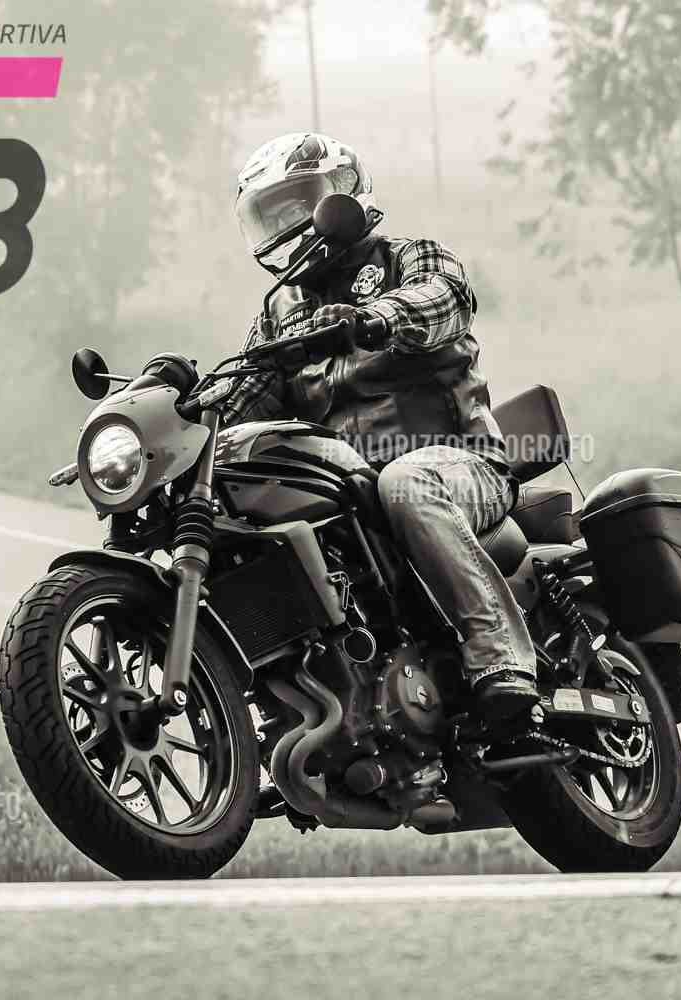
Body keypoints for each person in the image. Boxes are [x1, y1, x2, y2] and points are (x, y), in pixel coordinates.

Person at [222, 132, 538, 724]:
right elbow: (244, 393)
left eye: (297, 206)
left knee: (406, 482)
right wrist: (181, 404)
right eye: (272, 215)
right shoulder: (278, 314)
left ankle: (500, 657)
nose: (286, 225)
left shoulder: (410, 257)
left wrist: (375, 318)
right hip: (355, 490)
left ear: (343, 193)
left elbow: (443, 299)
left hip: (458, 464)